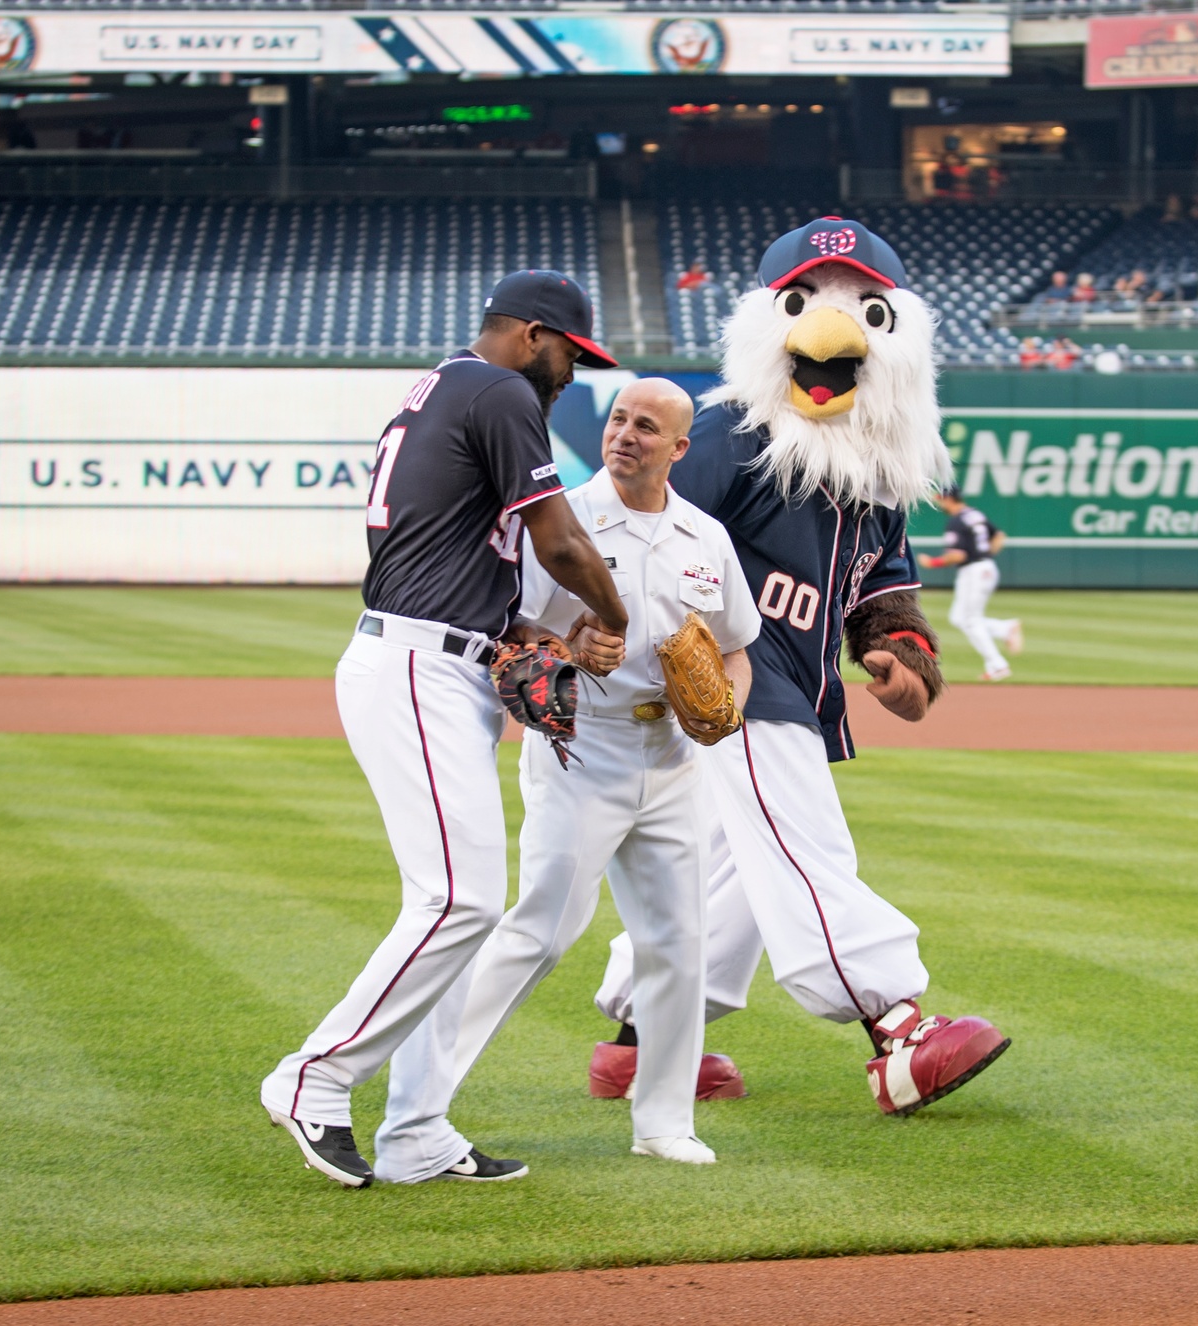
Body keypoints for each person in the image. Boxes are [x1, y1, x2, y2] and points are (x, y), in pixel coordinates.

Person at [586, 216, 1009, 1117]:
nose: (832, 329)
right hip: (732, 683)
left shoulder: (879, 467)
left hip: (795, 688)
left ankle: (642, 1045)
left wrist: (897, 651)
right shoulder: (731, 434)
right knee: (803, 842)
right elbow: (642, 530)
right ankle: (895, 1028)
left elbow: (880, 581)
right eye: (807, 301)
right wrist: (646, 653)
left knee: (726, 870)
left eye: (860, 305)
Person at [260, 270, 628, 1188]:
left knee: (462, 911)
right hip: (418, 666)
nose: (573, 376)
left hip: (447, 659)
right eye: (572, 355)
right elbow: (562, 543)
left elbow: (463, 558)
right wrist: (616, 618)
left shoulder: (452, 388)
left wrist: (538, 633)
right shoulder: (499, 388)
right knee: (459, 898)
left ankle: (418, 1130)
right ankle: (315, 1077)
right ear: (533, 335)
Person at [376, 378, 760, 1178]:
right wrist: (573, 649)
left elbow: (734, 646)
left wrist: (721, 712)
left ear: (679, 449)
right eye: (619, 419)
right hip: (582, 747)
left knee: (678, 946)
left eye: (647, 427)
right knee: (537, 933)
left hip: (674, 761)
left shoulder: (703, 536)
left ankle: (663, 1122)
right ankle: (420, 1106)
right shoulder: (564, 520)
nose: (626, 435)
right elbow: (513, 629)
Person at [918, 486, 1022, 682]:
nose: (940, 503)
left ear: (949, 499)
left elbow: (958, 554)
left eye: (941, 499)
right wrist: (985, 557)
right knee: (959, 618)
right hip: (985, 568)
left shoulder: (956, 522)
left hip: (974, 571)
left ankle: (998, 665)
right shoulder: (974, 514)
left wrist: (933, 563)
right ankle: (1004, 629)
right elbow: (999, 537)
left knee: (970, 620)